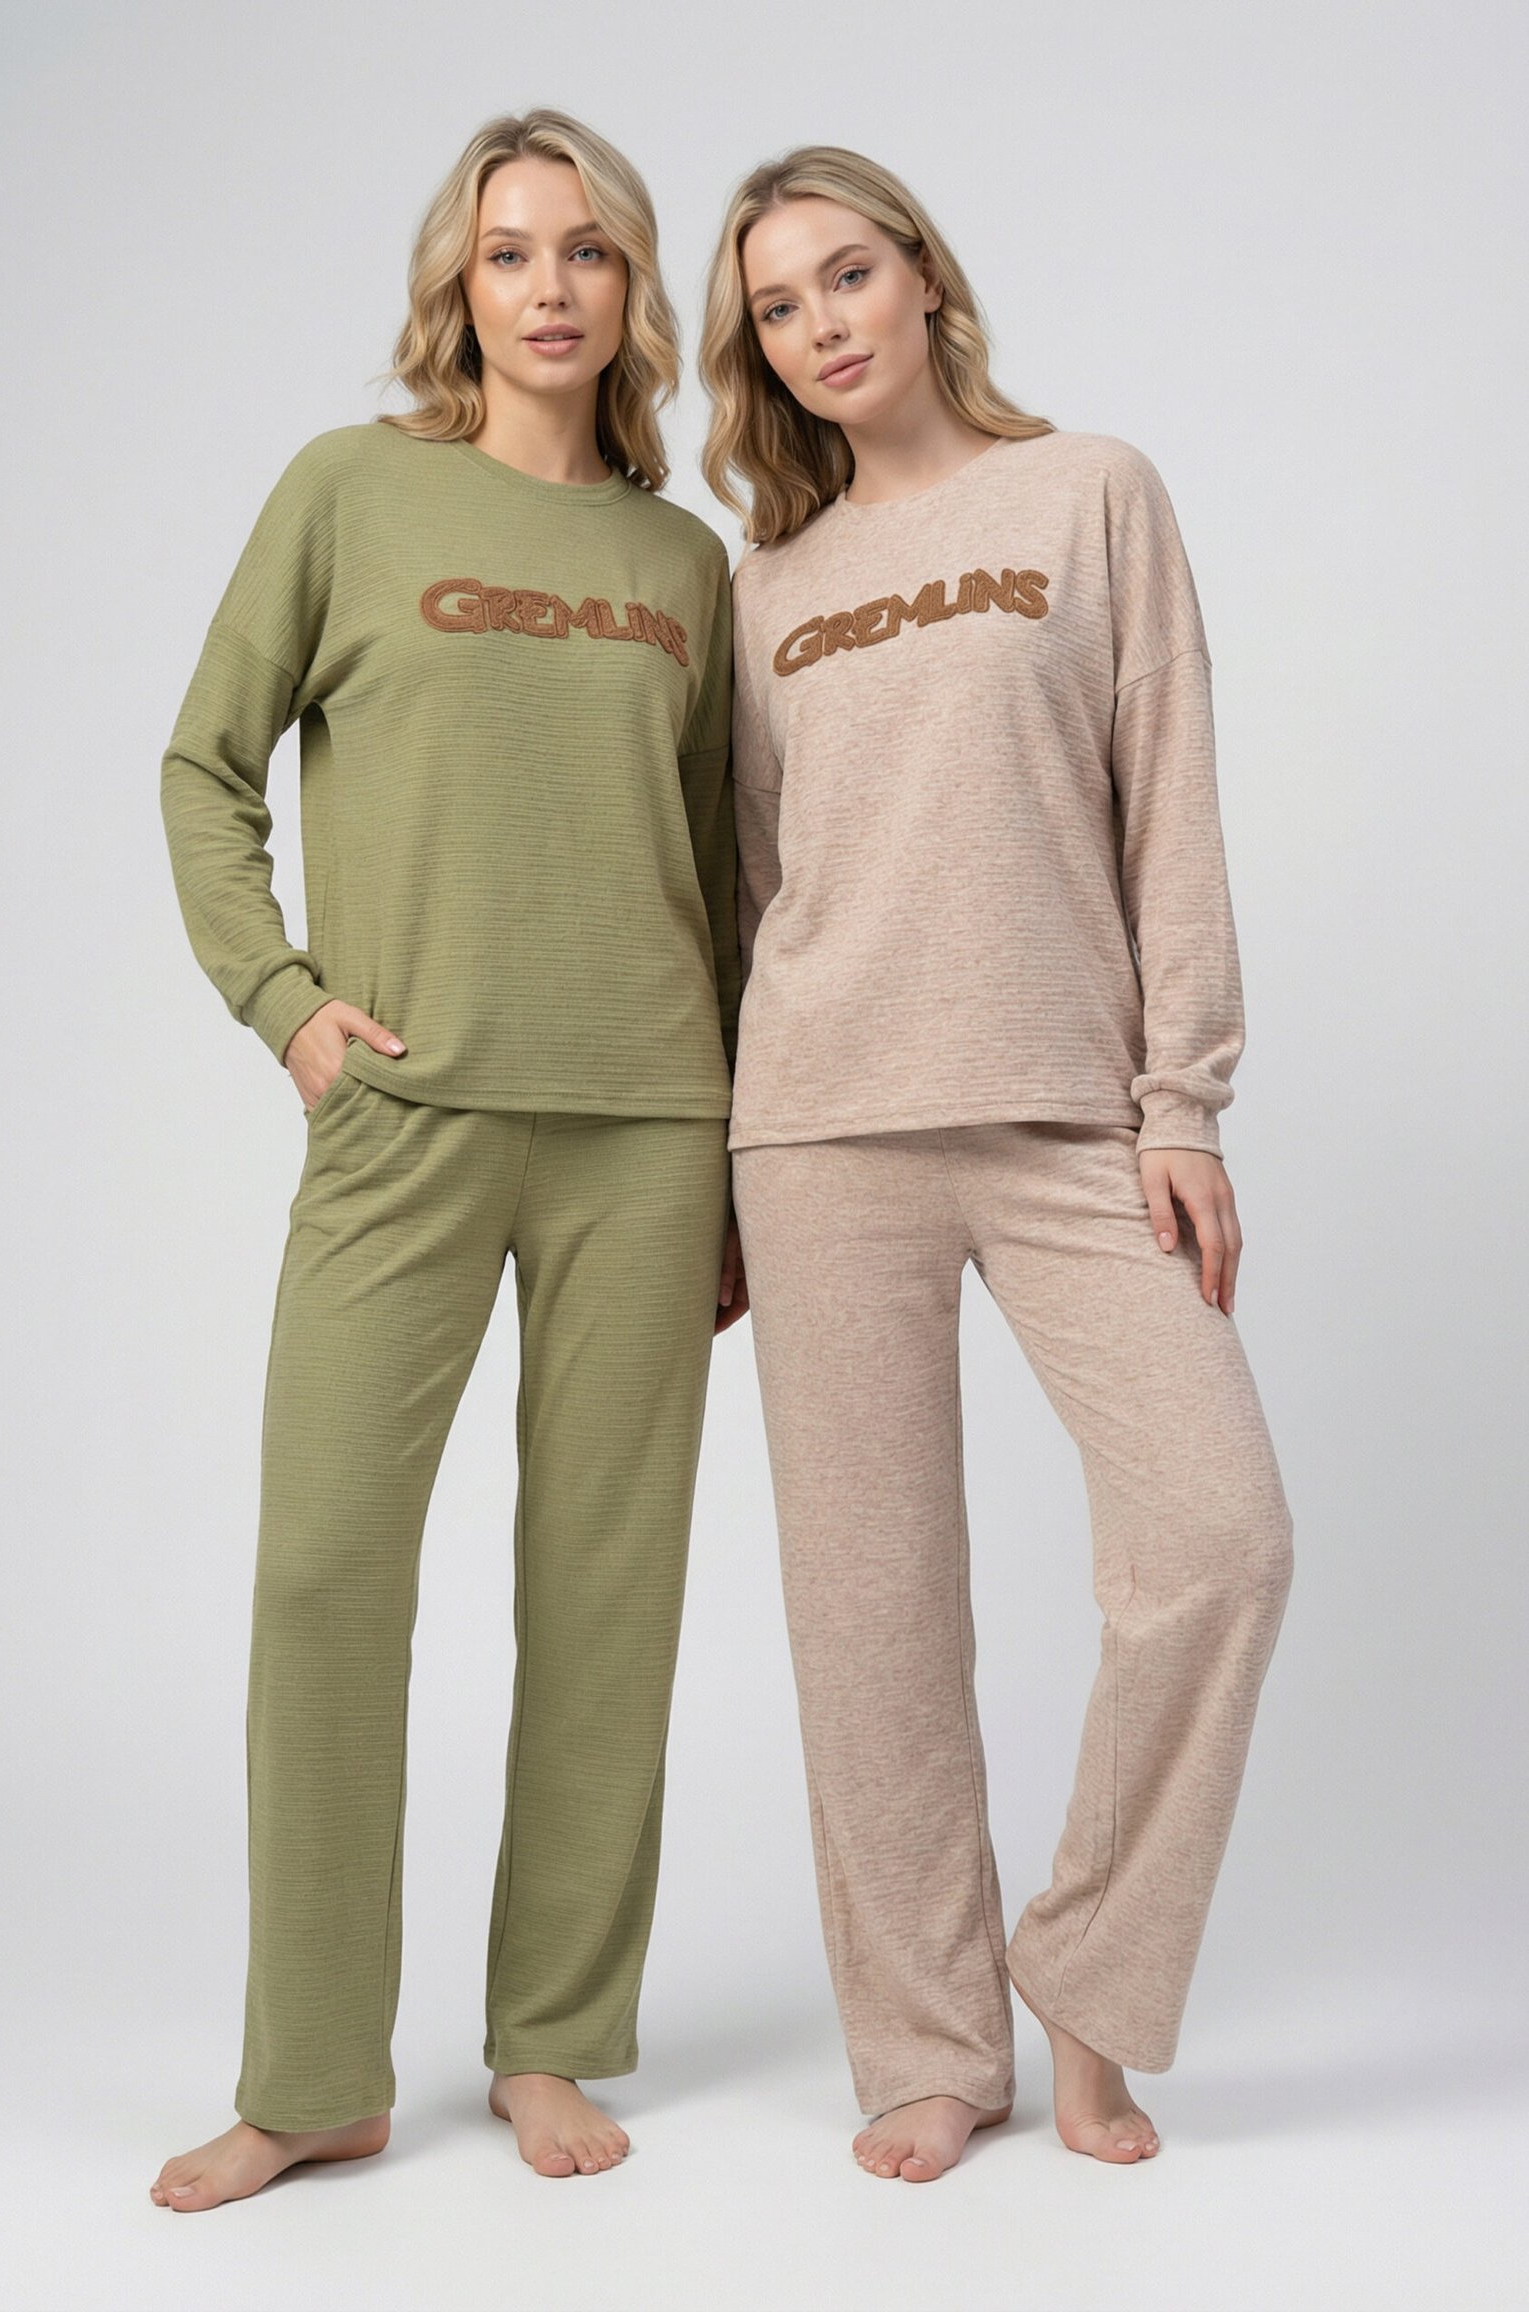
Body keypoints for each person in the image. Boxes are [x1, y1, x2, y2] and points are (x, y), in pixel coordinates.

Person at [151, 108, 745, 2212]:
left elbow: (726, 887)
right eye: (508, 251)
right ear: (456, 287)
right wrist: (286, 1001)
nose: (549, 287)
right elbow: (205, 766)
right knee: (325, 1573)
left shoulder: (686, 568)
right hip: (402, 1119)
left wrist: (741, 1161)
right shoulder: (350, 489)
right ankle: (314, 2069)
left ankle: (551, 2036)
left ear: (632, 288)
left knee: (604, 1593)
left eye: (587, 250)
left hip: (649, 1129)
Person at [701, 146, 1294, 2182]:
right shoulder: (763, 591)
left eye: (846, 274)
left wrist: (1179, 1099)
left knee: (1218, 1536)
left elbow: (1168, 801)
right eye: (777, 307)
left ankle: (1089, 1984)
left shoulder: (1090, 493)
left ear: (926, 278)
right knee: (871, 1621)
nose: (821, 324)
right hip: (815, 1128)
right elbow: (753, 890)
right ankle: (928, 2043)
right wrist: (712, 1175)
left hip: (1062, 1111)